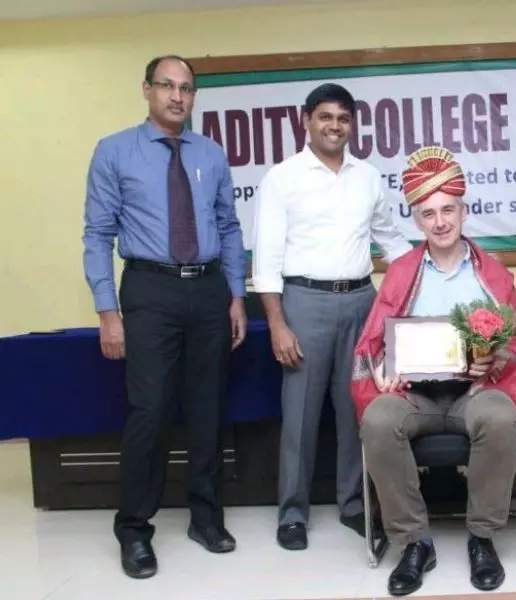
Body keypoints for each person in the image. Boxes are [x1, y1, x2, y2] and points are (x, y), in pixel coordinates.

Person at [351, 146, 516, 597]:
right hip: (414, 395)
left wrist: (495, 359)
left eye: (448, 210)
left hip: (477, 390)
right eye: (428, 214)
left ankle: (482, 537)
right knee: (377, 420)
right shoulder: (401, 273)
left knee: (499, 416)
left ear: (463, 211)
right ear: (417, 221)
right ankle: (413, 542)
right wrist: (383, 371)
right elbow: (371, 346)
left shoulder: (492, 274)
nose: (440, 222)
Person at [82, 54, 248, 579]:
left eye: (187, 88)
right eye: (167, 86)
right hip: (149, 289)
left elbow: (229, 227)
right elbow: (97, 234)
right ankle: (134, 529)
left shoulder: (211, 153)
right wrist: (107, 310)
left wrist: (235, 295)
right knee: (149, 411)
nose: (178, 96)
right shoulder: (114, 151)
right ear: (147, 90)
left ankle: (206, 517)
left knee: (207, 408)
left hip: (208, 290)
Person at [251, 82, 413, 551]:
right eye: (325, 117)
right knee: (299, 414)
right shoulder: (282, 178)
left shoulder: (368, 177)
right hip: (305, 303)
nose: (334, 126)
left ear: (352, 125)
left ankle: (353, 503)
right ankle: (292, 513)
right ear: (306, 121)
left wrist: (426, 272)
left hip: (361, 303)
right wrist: (277, 323)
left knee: (356, 408)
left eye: (343, 119)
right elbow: (266, 259)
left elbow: (391, 240)